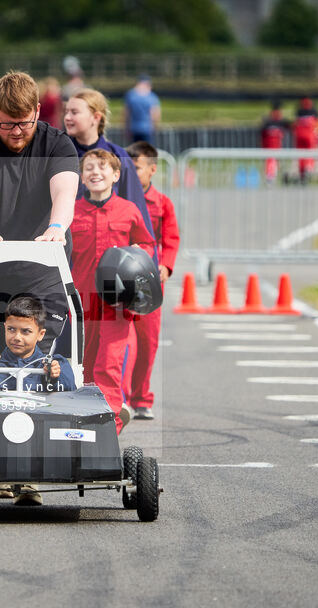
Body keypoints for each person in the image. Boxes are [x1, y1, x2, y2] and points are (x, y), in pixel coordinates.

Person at [0, 70, 79, 360]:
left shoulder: (58, 144)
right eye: (7, 124)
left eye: (25, 123)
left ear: (37, 110)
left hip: (42, 276)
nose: (17, 132)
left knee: (35, 366)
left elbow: (65, 191)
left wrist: (57, 226)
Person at [70, 149, 155, 434]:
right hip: (81, 301)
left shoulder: (128, 211)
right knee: (83, 364)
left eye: (102, 168)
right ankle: (84, 419)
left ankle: (109, 424)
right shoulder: (70, 212)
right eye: (89, 168)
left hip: (117, 302)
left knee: (110, 362)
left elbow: (146, 245)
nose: (96, 172)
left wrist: (139, 262)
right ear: (82, 178)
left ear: (116, 176)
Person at [0, 296, 75, 506]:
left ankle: (28, 483)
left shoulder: (53, 364)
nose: (17, 337)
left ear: (41, 334)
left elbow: (70, 392)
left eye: (25, 331)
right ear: (4, 328)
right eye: (11, 329)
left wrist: (55, 376)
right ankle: (1, 479)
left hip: (38, 435)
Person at [124, 141, 180, 421]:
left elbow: (170, 239)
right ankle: (118, 397)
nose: (131, 175)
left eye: (136, 169)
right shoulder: (119, 199)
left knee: (147, 343)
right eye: (127, 169)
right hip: (121, 283)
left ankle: (141, 398)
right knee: (123, 341)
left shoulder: (162, 204)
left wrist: (166, 266)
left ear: (152, 170)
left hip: (149, 285)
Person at [64, 88, 154, 237]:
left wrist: (148, 257)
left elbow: (136, 208)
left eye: (74, 112)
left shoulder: (118, 156)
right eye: (66, 112)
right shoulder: (59, 154)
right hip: (70, 247)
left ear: (96, 117)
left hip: (110, 245)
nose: (67, 117)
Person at [123, 75, 160, 144]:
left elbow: (126, 114)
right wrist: (155, 128)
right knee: (147, 152)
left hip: (133, 129)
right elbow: (155, 115)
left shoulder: (130, 95)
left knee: (134, 152)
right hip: (147, 129)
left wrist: (126, 129)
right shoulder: (152, 96)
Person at [261, 100, 290, 183]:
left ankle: (272, 176)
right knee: (271, 160)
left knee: (273, 160)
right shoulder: (275, 119)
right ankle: (270, 177)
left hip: (276, 144)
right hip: (272, 145)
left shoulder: (271, 120)